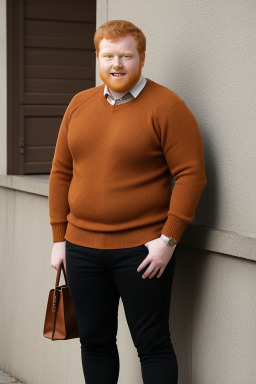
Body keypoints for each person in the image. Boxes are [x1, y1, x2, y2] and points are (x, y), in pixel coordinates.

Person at [49, 19, 207, 384]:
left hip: (143, 252)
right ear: (98, 58)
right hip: (81, 248)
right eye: (108, 56)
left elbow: (191, 175)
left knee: (152, 346)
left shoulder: (167, 107)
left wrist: (168, 240)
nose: (116, 64)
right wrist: (60, 239)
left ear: (142, 58)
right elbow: (60, 172)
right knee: (94, 342)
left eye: (125, 56)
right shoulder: (79, 105)